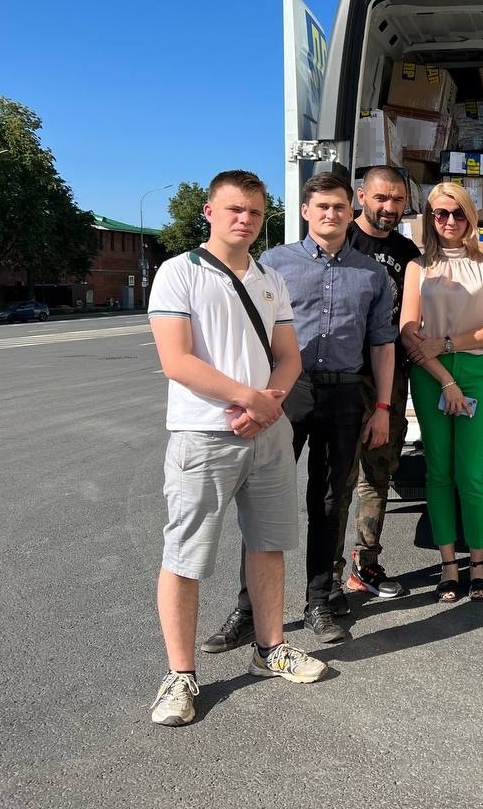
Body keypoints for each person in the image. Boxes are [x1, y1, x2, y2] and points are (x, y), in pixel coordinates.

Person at [147, 170, 325, 728]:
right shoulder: (179, 272)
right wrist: (250, 398)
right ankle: (180, 674)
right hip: (204, 433)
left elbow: (289, 356)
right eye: (234, 209)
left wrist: (267, 405)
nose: (245, 219)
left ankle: (271, 647)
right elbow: (177, 360)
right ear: (209, 212)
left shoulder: (270, 278)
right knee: (186, 554)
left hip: (266, 433)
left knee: (268, 543)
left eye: (254, 211)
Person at [201, 172, 396, 652]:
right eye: (322, 206)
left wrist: (383, 407)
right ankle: (249, 610)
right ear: (306, 212)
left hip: (347, 394)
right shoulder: (273, 264)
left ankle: (320, 600)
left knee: (330, 502)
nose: (331, 214)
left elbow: (382, 344)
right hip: (288, 392)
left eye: (339, 207)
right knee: (264, 502)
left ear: (352, 212)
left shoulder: (372, 274)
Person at [400, 182, 483, 602]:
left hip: (475, 370)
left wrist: (446, 344)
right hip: (431, 375)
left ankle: (478, 563)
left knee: (471, 473)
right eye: (441, 213)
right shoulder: (418, 267)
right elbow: (409, 331)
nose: (449, 221)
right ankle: (448, 565)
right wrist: (445, 378)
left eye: (458, 213)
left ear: (470, 218)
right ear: (430, 219)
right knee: (439, 472)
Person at [334, 166, 421, 601]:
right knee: (339, 479)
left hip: (391, 375)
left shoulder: (407, 251)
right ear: (361, 196)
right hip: (346, 378)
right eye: (381, 198)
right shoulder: (341, 239)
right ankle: (327, 577)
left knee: (378, 472)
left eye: (398, 200)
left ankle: (364, 565)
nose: (389, 207)